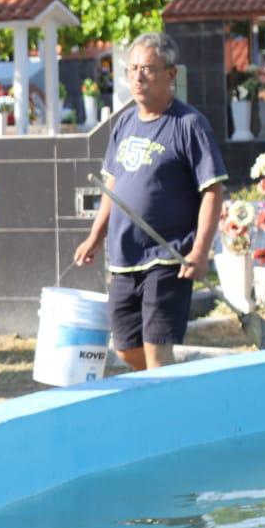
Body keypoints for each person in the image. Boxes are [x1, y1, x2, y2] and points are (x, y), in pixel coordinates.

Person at [74, 32, 225, 370]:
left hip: (167, 255)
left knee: (157, 348)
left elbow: (213, 190)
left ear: (171, 75)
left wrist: (199, 251)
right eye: (133, 69)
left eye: (149, 69)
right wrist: (95, 237)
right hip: (125, 257)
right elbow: (113, 186)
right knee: (127, 349)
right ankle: (171, 390)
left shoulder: (189, 125)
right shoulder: (124, 124)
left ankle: (167, 410)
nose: (138, 76)